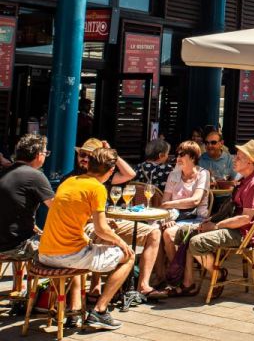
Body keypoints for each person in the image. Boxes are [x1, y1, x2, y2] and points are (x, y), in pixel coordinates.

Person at [39, 148, 135, 331]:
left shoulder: (69, 182)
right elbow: (102, 229)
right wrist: (121, 242)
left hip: (45, 253)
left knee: (88, 247)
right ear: (110, 170)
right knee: (128, 256)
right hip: (67, 256)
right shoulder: (97, 188)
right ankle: (100, 310)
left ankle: (75, 308)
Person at [169, 140, 254, 298]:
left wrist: (216, 226)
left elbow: (245, 218)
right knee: (184, 232)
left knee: (196, 242)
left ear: (250, 161)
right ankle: (187, 283)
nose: (234, 159)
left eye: (239, 157)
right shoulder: (245, 180)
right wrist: (210, 221)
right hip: (232, 227)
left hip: (241, 234)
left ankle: (219, 273)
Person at [69, 139, 161, 298]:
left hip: (109, 221)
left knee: (154, 233)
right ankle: (95, 287)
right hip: (87, 225)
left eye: (90, 155)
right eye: (82, 154)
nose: (84, 158)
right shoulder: (72, 179)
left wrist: (112, 154)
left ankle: (143, 285)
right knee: (103, 233)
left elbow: (130, 174)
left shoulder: (104, 177)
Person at [0, 134, 54, 262]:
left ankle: (20, 282)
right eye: (46, 153)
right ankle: (59, 282)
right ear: (38, 155)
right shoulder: (35, 176)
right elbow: (57, 207)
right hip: (16, 246)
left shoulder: (4, 173)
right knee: (67, 248)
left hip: (5, 242)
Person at [159, 140, 211, 261]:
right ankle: (163, 273)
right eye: (178, 154)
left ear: (193, 157)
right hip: (174, 216)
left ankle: (175, 269)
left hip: (196, 218)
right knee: (154, 231)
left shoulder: (203, 174)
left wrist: (170, 204)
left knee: (167, 233)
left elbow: (195, 201)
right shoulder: (174, 174)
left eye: (182, 155)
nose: (178, 158)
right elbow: (164, 201)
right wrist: (168, 218)